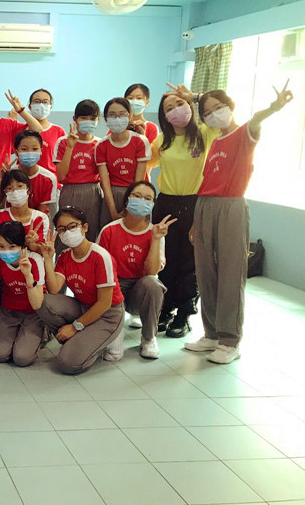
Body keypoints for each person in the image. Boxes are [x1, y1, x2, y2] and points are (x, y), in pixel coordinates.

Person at [174, 82, 294, 363]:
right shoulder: (215, 141)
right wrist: (196, 222)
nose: (214, 114)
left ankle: (230, 340)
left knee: (230, 272)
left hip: (231, 207)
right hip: (205, 206)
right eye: (207, 112)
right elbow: (208, 181)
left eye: (219, 107)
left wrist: (273, 107)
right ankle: (212, 334)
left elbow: (257, 119)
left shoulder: (244, 134)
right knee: (206, 272)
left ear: (230, 107)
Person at [146, 87, 219, 338]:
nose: (176, 110)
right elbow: (145, 162)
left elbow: (227, 110)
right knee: (165, 260)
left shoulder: (204, 133)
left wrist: (197, 97)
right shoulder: (162, 141)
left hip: (193, 203)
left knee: (190, 262)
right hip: (165, 203)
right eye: (169, 108)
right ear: (164, 116)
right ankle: (165, 309)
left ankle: (184, 315)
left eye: (180, 104)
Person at [37, 207, 125, 374]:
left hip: (108, 314)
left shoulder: (100, 257)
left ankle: (109, 338)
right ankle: (81, 342)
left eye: (72, 227)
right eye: (62, 229)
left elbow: (104, 303)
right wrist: (48, 259)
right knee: (44, 302)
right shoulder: (65, 256)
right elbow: (54, 289)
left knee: (67, 363)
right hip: (83, 306)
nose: (67, 232)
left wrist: (75, 327)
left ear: (84, 227)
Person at [98, 181, 173, 359]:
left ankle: (149, 338)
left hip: (139, 290)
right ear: (127, 200)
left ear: (152, 205)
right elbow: (100, 270)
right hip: (114, 289)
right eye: (137, 196)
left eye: (148, 199)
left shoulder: (155, 232)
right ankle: (114, 330)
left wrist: (156, 239)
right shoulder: (109, 231)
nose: (142, 201)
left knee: (153, 283)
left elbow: (151, 272)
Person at [0, 221, 46, 366]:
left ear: (22, 246)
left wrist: (28, 275)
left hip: (32, 314)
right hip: (9, 312)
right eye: (1, 246)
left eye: (12, 246)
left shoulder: (34, 260)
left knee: (22, 358)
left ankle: (43, 332)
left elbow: (37, 304)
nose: (6, 251)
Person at [96, 97, 151, 224]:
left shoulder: (140, 141)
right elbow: (105, 183)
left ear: (130, 116)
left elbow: (138, 181)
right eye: (112, 115)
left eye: (122, 114)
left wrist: (128, 209)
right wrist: (113, 212)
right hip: (111, 197)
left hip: (136, 195)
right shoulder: (101, 145)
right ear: (106, 118)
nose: (117, 118)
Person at [53, 99, 102, 241]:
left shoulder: (100, 144)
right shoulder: (63, 142)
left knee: (90, 233)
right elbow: (61, 176)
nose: (88, 121)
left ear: (98, 120)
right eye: (84, 118)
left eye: (92, 118)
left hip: (93, 192)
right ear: (75, 119)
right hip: (70, 191)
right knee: (67, 233)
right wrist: (70, 147)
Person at [0, 130, 58, 217]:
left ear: (41, 150)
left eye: (35, 149)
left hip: (36, 221)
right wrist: (2, 177)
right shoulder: (9, 174)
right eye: (24, 149)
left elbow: (41, 212)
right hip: (11, 221)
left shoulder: (49, 178)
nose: (30, 153)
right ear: (16, 152)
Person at [0, 169, 51, 244]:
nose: (15, 191)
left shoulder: (41, 218)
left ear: (29, 190)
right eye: (10, 188)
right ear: (5, 193)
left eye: (20, 186)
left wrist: (31, 244)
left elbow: (44, 248)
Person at [25, 88, 66, 176]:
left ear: (51, 106)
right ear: (30, 106)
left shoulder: (58, 131)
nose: (41, 105)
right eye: (37, 101)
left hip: (51, 180)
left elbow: (64, 161)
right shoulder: (22, 129)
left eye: (45, 102)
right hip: (24, 180)